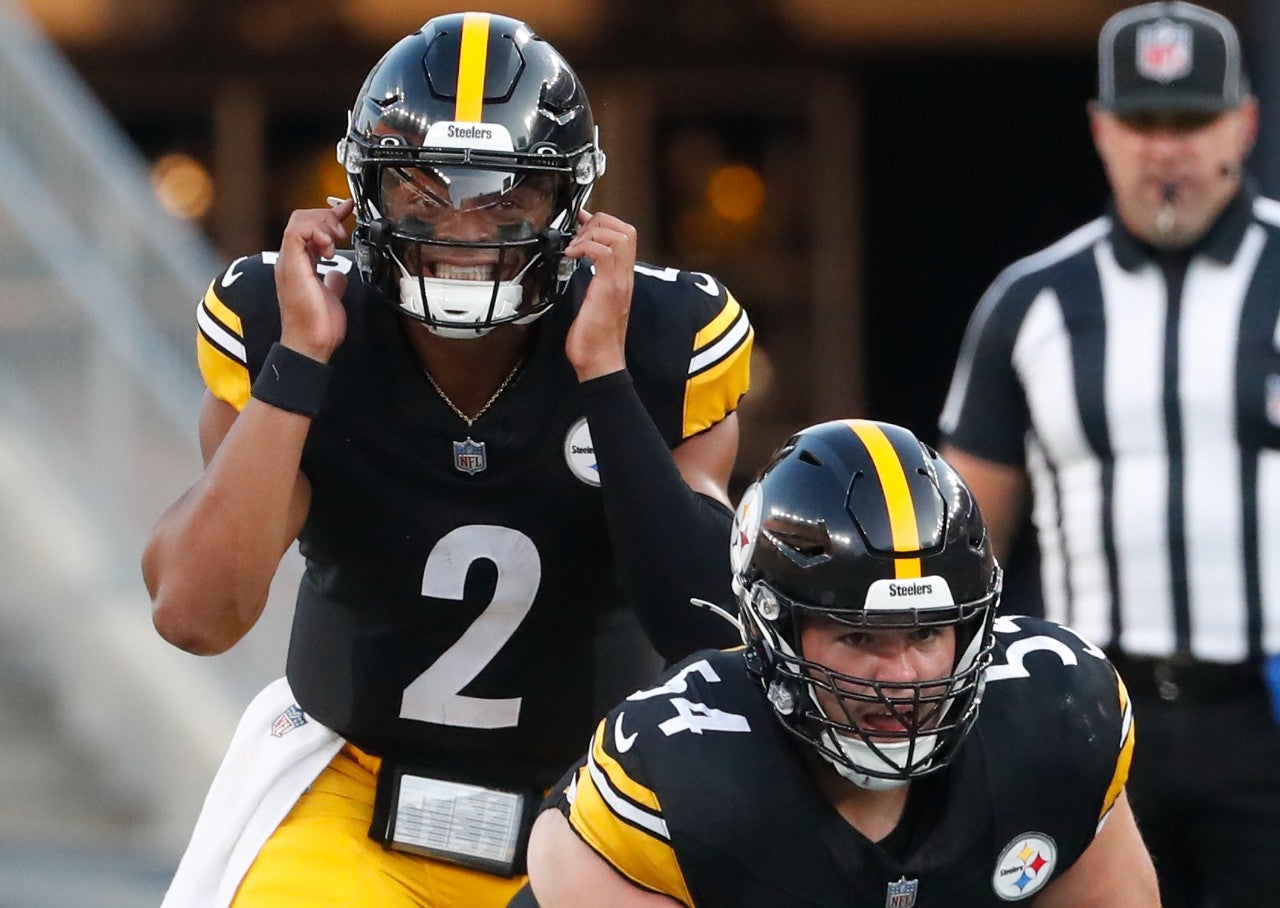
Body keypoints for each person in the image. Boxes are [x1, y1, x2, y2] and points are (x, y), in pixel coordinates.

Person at [142, 12, 753, 907]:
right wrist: (298, 365)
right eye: (424, 197)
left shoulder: (663, 337)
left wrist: (607, 380)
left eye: (506, 199)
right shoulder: (291, 321)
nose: (464, 237)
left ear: (572, 206)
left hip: (608, 811)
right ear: (364, 195)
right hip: (354, 797)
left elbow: (709, 626)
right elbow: (195, 615)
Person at [523, 420, 1158, 907]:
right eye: (859, 638)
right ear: (772, 626)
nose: (903, 677)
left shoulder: (1058, 716)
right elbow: (560, 851)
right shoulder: (681, 776)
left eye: (928, 632)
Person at [939, 3, 1280, 905]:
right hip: (1093, 709)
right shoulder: (1031, 303)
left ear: (1242, 124)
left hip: (1270, 704)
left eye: (1191, 121)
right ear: (1101, 130)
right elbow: (961, 541)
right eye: (1142, 122)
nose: (1165, 149)